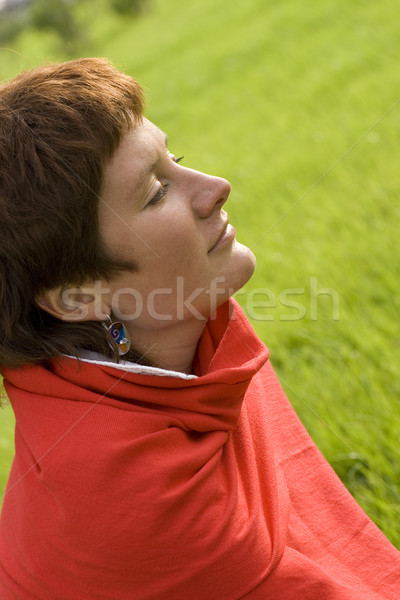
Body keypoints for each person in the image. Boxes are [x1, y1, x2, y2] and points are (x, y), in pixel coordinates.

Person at [0, 58, 398, 600]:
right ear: (77, 295)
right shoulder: (140, 506)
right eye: (157, 191)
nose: (216, 187)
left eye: (177, 159)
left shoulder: (183, 329)